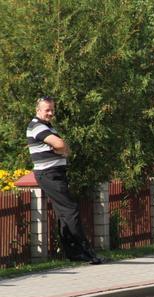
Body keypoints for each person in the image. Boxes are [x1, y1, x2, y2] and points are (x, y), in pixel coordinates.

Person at [27, 97, 102, 264]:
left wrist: (62, 149)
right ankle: (86, 251)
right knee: (71, 210)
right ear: (38, 110)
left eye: (52, 109)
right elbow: (61, 144)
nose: (51, 113)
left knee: (64, 213)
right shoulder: (37, 126)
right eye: (47, 110)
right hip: (48, 174)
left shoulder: (46, 126)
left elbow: (62, 146)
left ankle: (74, 253)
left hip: (54, 173)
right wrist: (62, 150)